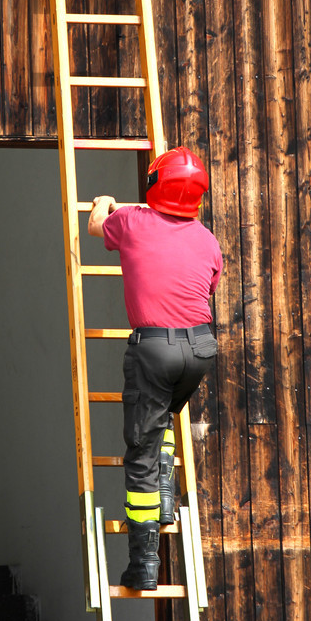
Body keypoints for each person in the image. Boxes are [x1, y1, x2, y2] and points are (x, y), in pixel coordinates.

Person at [88, 147, 222, 590]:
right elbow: (209, 284)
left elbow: (95, 227)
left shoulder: (131, 221)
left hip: (155, 349)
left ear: (154, 185)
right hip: (201, 348)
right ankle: (164, 499)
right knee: (161, 416)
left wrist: (104, 203)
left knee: (140, 453)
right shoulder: (207, 238)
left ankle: (144, 563)